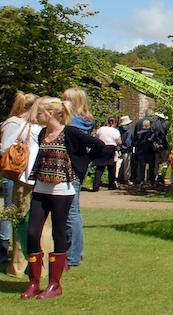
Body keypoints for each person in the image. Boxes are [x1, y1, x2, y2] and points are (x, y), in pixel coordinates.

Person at [23, 97, 104, 300]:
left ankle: (54, 284)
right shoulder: (43, 133)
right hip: (41, 188)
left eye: (40, 112)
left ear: (51, 113)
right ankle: (34, 282)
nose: (37, 116)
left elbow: (99, 146)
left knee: (59, 233)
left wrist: (81, 164)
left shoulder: (70, 132)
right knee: (32, 232)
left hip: (62, 190)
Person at [1, 92, 45, 274]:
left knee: (22, 218)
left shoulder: (31, 126)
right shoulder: (17, 124)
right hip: (18, 175)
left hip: (27, 177)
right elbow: (5, 149)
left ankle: (25, 263)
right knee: (15, 216)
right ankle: (12, 258)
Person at [61, 88, 95, 269]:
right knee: (73, 211)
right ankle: (73, 253)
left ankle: (72, 255)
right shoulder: (87, 121)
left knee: (70, 212)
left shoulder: (72, 123)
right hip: (78, 168)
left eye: (65, 99)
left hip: (69, 169)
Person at [92, 118, 122, 191]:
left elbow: (95, 137)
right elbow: (119, 141)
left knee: (99, 168)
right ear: (114, 123)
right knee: (111, 168)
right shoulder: (115, 131)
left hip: (101, 148)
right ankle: (111, 185)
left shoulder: (101, 129)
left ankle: (96, 185)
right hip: (111, 149)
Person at [132, 120, 157, 189]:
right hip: (150, 152)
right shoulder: (152, 133)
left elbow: (135, 142)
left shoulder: (139, 133)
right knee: (151, 168)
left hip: (141, 152)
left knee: (141, 168)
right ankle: (152, 181)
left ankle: (141, 181)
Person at [152, 112, 169, 185]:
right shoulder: (163, 125)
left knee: (156, 163)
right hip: (163, 146)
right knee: (164, 162)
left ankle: (156, 177)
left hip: (156, 146)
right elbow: (164, 134)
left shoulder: (154, 124)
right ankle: (161, 176)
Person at [116, 116, 133, 187]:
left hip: (118, 149)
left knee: (117, 165)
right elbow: (128, 142)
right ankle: (127, 180)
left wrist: (119, 148)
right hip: (127, 150)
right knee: (127, 166)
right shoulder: (129, 131)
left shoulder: (118, 129)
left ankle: (115, 179)